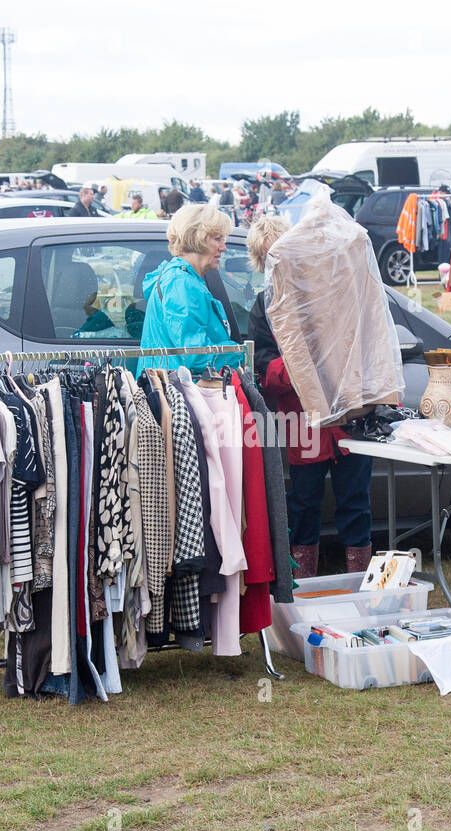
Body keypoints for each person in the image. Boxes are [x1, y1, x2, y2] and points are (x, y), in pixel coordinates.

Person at [246, 216, 372, 578]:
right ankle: (300, 589)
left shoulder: (329, 288)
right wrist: (304, 366)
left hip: (348, 416)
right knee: (302, 507)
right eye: (271, 257)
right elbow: (264, 371)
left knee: (356, 503)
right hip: (302, 421)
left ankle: (359, 583)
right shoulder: (264, 305)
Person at [136, 204, 237, 373]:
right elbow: (195, 354)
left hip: (177, 388)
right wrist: (241, 356)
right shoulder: (181, 283)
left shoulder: (183, 279)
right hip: (181, 392)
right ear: (197, 238)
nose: (223, 247)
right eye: (217, 239)